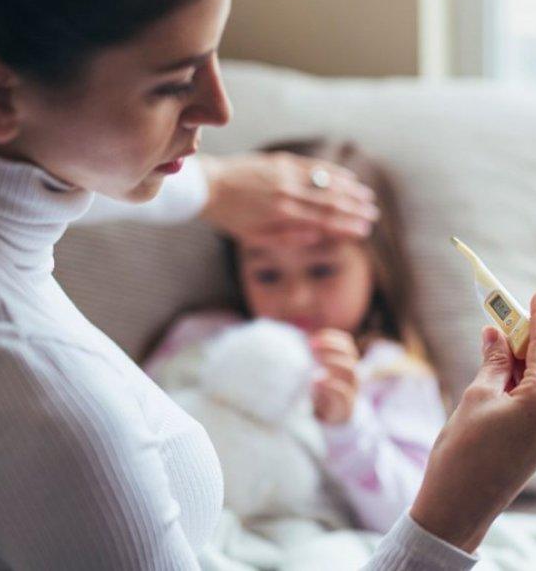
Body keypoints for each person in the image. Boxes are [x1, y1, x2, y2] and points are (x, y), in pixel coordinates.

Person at [0, 0, 536, 569]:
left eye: (217, 53)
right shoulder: (51, 412)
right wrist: (452, 517)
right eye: (171, 82)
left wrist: (212, 187)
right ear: (0, 97)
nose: (219, 107)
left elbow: (40, 184)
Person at [145, 139, 445, 535]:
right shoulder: (202, 336)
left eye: (322, 270)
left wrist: (349, 427)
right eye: (268, 275)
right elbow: (134, 430)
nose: (295, 298)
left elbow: (418, 518)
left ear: (377, 266)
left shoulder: (390, 373)